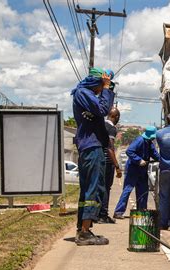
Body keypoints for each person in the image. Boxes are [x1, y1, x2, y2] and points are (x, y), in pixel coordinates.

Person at [72, 67, 114, 246]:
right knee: (93, 189)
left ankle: (83, 228)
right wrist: (106, 88)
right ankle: (84, 232)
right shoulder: (83, 93)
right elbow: (104, 108)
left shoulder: (84, 94)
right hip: (92, 146)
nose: (103, 90)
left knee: (88, 189)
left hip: (90, 146)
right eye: (102, 85)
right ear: (97, 83)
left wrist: (106, 88)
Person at [113, 126, 160, 219]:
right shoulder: (140, 140)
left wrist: (163, 160)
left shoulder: (149, 143)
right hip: (133, 169)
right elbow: (129, 151)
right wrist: (139, 160)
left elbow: (155, 154)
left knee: (143, 191)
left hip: (142, 170)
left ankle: (141, 211)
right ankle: (118, 212)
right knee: (127, 190)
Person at [98, 107, 122, 224]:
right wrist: (117, 166)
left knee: (99, 188)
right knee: (106, 188)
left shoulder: (101, 124)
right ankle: (103, 214)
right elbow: (110, 148)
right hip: (107, 162)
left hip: (98, 159)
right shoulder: (111, 128)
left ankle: (97, 214)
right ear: (115, 116)